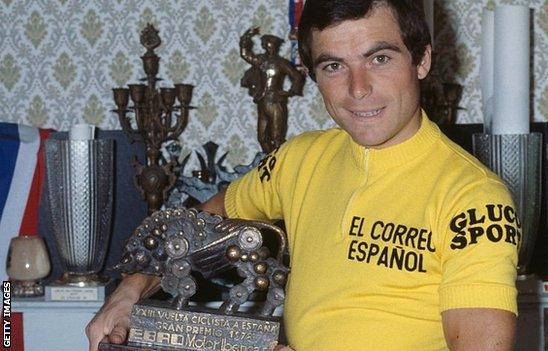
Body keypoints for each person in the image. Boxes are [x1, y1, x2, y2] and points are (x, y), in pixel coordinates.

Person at [87, 1, 519, 350]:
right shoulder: (300, 159)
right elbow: (194, 228)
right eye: (334, 66)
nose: (358, 88)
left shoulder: (474, 198)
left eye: (380, 58)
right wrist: (130, 292)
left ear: (422, 60)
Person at [240, 27, 306, 153]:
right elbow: (245, 54)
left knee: (277, 138)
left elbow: (297, 77)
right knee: (262, 138)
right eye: (265, 42)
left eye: (269, 42)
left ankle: (279, 165)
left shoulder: (281, 63)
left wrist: (290, 92)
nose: (267, 45)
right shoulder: (260, 60)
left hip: (276, 103)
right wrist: (247, 36)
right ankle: (269, 161)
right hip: (262, 102)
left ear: (275, 45)